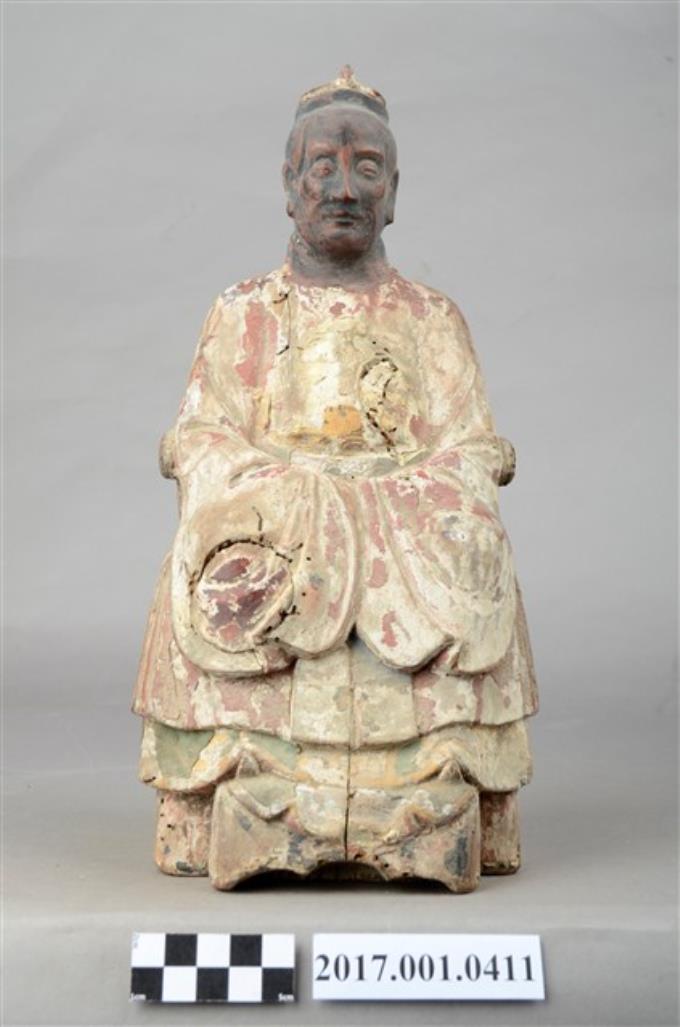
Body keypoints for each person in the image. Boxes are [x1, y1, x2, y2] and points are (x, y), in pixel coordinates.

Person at [133, 68, 538, 891]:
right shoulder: (244, 312)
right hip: (283, 522)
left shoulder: (431, 317)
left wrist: (398, 498)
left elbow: (471, 445)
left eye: (367, 169)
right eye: (323, 166)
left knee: (473, 547)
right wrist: (297, 497)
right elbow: (202, 435)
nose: (344, 188)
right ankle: (249, 776)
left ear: (394, 193)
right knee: (222, 556)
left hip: (404, 526)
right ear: (289, 187)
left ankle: (434, 775)